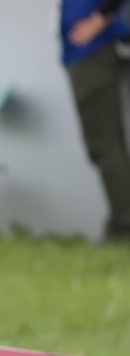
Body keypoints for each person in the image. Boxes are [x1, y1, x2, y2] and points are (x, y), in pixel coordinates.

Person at [61, 0, 130, 243]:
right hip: (90, 49)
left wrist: (102, 17)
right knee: (111, 144)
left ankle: (123, 228)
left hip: (93, 50)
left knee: (105, 145)